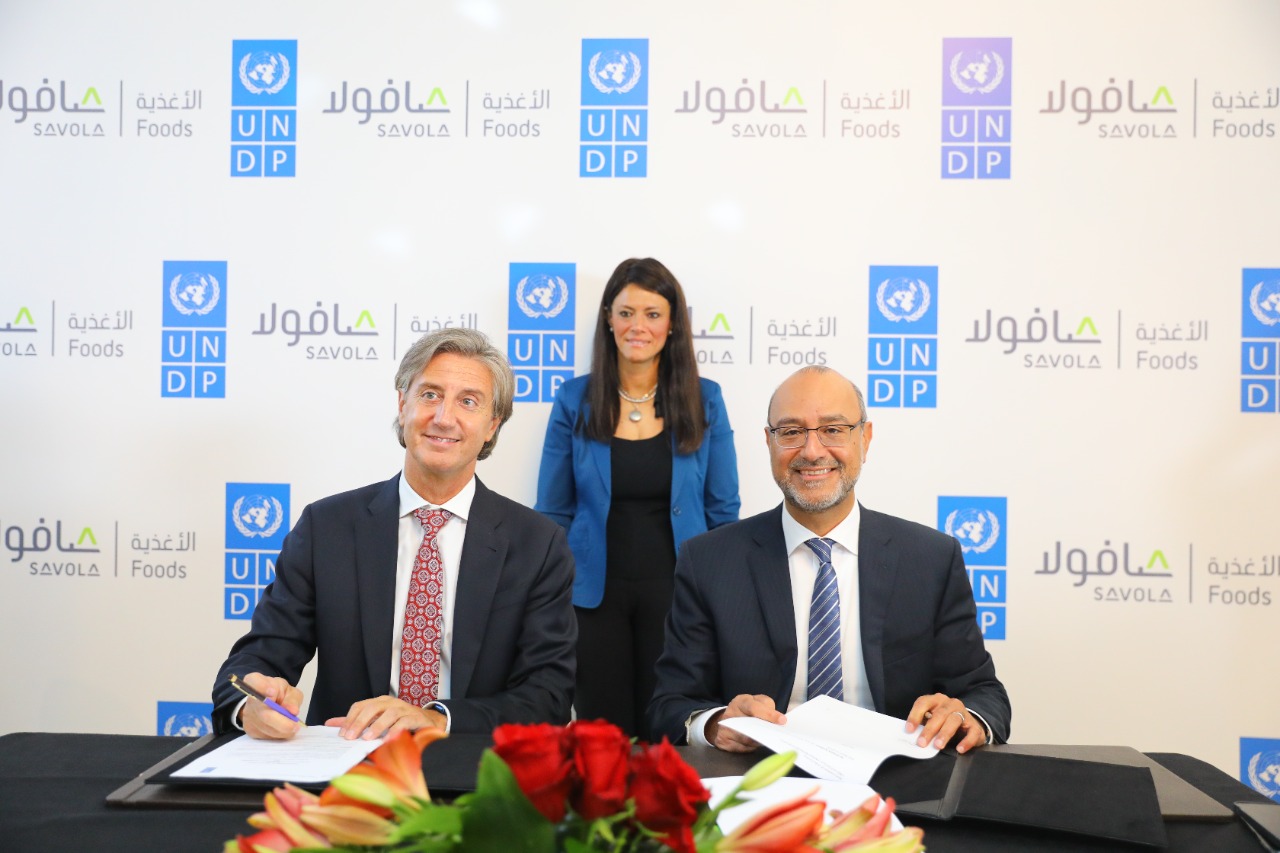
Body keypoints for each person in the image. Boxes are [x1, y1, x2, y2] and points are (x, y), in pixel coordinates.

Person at [212, 328, 576, 740]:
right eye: (430, 395)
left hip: (471, 765)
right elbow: (258, 658)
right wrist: (250, 702)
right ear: (403, 406)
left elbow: (548, 696)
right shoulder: (325, 528)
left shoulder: (537, 544)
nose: (444, 418)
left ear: (492, 425)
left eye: (468, 402)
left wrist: (437, 719)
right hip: (348, 759)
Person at [648, 365, 1010, 753]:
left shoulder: (931, 559)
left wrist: (965, 716)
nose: (812, 451)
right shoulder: (709, 561)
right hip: (762, 776)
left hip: (896, 778)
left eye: (833, 430)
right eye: (791, 432)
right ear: (769, 443)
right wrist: (716, 723)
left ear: (865, 439)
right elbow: (670, 706)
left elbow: (983, 694)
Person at [536, 257, 740, 739]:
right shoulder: (573, 399)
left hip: (678, 598)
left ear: (672, 324)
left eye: (653, 314)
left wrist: (723, 596)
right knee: (602, 739)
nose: (638, 326)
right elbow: (553, 511)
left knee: (670, 734)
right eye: (626, 313)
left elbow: (723, 511)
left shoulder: (705, 399)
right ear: (608, 319)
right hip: (591, 601)